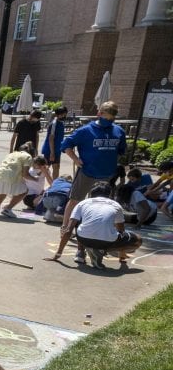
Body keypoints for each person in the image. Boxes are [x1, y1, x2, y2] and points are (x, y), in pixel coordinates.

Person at [59, 101, 127, 263]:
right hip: (87, 173)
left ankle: (100, 232)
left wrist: (111, 164)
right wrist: (75, 159)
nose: (108, 122)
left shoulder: (118, 131)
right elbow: (66, 145)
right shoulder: (86, 130)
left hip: (106, 175)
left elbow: (121, 151)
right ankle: (65, 228)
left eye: (111, 119)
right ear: (99, 114)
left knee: (101, 206)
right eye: (106, 118)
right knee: (76, 200)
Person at [54, 183, 142, 268]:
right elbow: (121, 231)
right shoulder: (115, 205)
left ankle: (80, 253)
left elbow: (69, 230)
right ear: (110, 194)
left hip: (84, 239)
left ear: (91, 193)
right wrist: (121, 251)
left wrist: (58, 253)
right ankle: (102, 250)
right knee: (138, 239)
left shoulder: (82, 203)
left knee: (79, 222)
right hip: (107, 242)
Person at [0, 142, 34, 218]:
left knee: (3, 190)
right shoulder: (28, 156)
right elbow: (25, 174)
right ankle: (8, 209)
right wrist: (35, 179)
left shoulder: (11, 154)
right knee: (25, 191)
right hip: (11, 176)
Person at [41, 106, 68, 180]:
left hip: (57, 150)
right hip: (50, 149)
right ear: (58, 114)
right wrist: (52, 153)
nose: (65, 116)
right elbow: (51, 138)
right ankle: (36, 182)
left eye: (65, 114)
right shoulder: (54, 123)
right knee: (44, 168)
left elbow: (59, 134)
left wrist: (72, 132)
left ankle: (54, 186)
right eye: (63, 114)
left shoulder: (60, 123)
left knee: (56, 167)